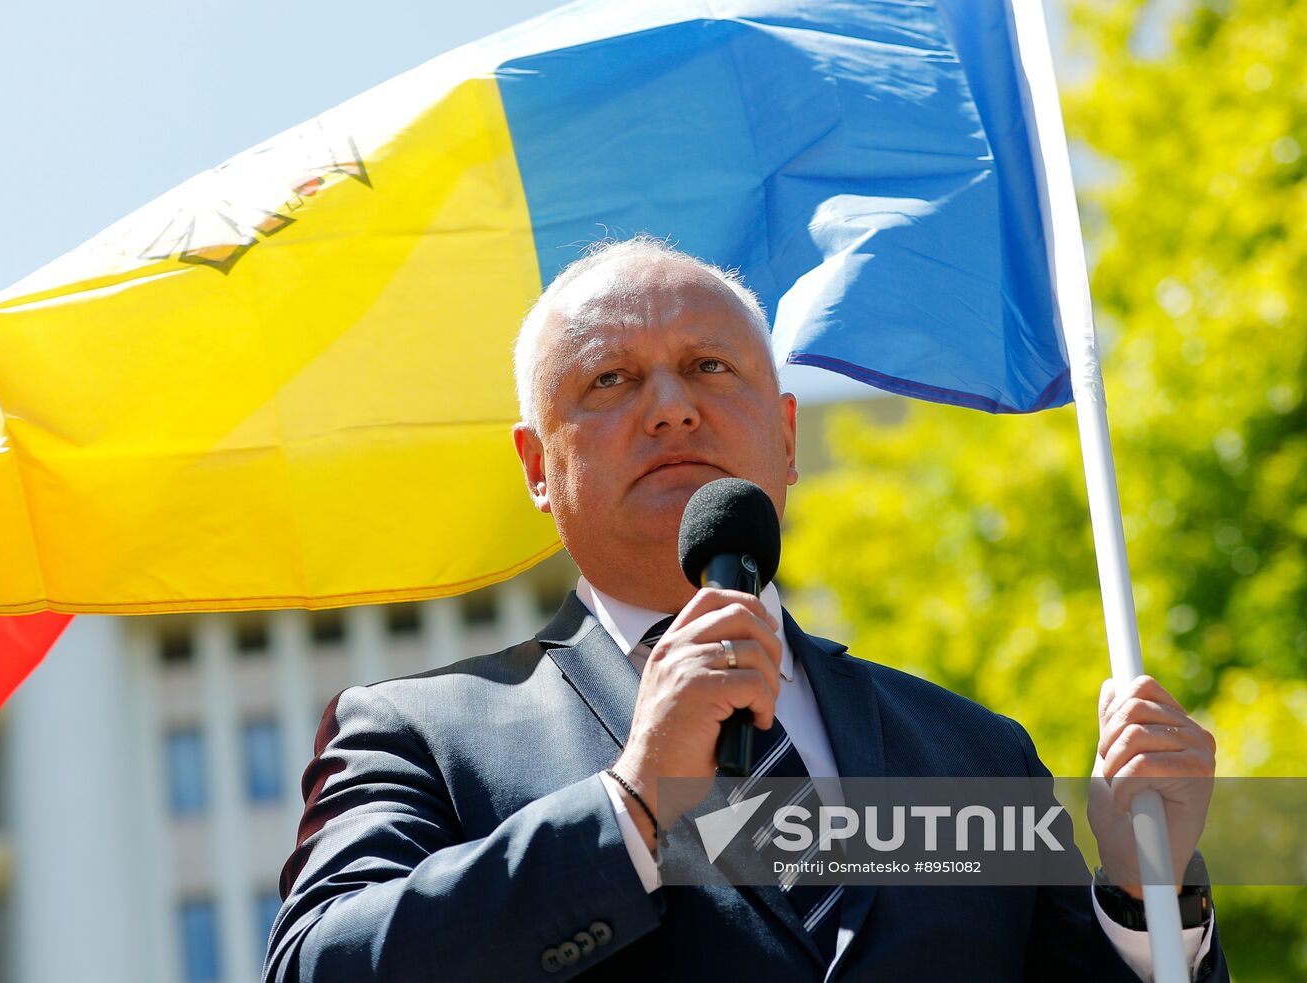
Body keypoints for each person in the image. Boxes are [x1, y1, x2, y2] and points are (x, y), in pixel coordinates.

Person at [266, 237, 1226, 981]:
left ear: (787, 434)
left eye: (712, 369)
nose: (673, 407)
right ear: (535, 467)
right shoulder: (423, 736)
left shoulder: (972, 751)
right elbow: (322, 965)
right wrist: (630, 804)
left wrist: (1146, 889)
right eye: (611, 380)